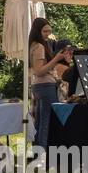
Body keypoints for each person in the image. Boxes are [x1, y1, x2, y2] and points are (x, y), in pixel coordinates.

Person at [28, 17, 71, 150]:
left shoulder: (33, 45)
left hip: (39, 86)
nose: (48, 34)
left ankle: (36, 151)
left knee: (40, 121)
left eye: (49, 31)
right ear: (38, 31)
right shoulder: (40, 46)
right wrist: (56, 59)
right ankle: (43, 153)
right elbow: (39, 71)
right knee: (47, 121)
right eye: (45, 31)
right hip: (45, 86)